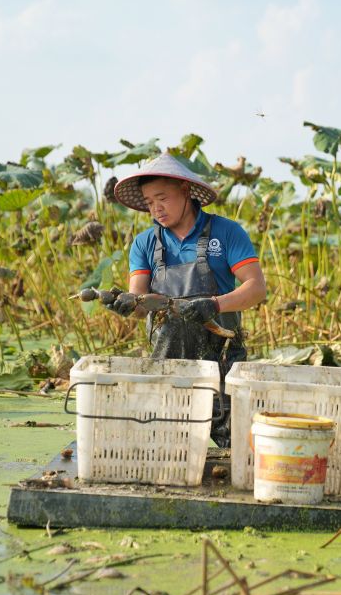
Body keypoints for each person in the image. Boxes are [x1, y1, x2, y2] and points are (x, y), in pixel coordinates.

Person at [109, 152, 267, 445]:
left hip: (221, 360)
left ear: (184, 191)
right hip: (167, 366)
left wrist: (215, 304)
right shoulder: (144, 244)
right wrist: (127, 304)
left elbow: (256, 288)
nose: (156, 209)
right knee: (162, 446)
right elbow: (139, 300)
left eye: (162, 198)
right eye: (149, 203)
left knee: (237, 447)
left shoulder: (227, 232)